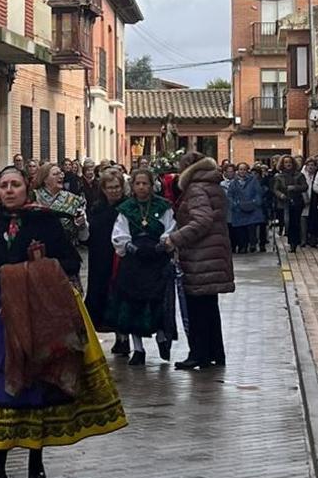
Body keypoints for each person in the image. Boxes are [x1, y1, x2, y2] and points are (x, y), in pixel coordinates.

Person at [0, 166, 127, 478]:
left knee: (37, 383)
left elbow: (71, 262)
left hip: (40, 311)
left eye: (14, 184)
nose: (8, 190)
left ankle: (36, 460)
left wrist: (38, 270)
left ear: (27, 188)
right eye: (3, 185)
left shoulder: (45, 222)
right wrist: (7, 278)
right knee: (0, 388)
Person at [166, 152, 234, 370]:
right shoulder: (212, 184)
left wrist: (175, 238)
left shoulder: (195, 189)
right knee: (209, 307)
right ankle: (215, 352)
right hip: (213, 254)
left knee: (197, 308)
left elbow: (202, 220)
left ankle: (199, 354)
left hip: (200, 256)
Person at [107, 169, 178, 365]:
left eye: (145, 183)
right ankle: (138, 349)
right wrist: (130, 247)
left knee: (158, 300)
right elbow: (119, 233)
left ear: (152, 185)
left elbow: (171, 227)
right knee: (132, 303)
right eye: (137, 183)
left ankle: (162, 337)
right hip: (134, 262)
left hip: (157, 260)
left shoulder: (163, 206)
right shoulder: (126, 208)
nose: (141, 187)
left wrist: (162, 244)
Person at [85, 170, 126, 356]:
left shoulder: (126, 207)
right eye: (110, 187)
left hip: (119, 257)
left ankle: (123, 337)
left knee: (119, 295)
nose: (114, 191)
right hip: (99, 257)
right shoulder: (96, 208)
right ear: (103, 189)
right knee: (100, 294)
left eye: (117, 187)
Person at [33, 162, 89, 246]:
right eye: (55, 174)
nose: (61, 176)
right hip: (38, 249)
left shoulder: (73, 200)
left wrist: (82, 224)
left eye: (61, 173)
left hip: (67, 249)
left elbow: (84, 237)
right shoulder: (33, 197)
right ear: (45, 179)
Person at [226, 163, 264, 254]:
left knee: (251, 227)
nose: (242, 171)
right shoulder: (233, 183)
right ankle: (243, 246)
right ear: (237, 171)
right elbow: (230, 195)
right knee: (240, 229)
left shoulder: (253, 181)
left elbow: (258, 192)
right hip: (239, 209)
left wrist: (256, 202)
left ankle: (252, 244)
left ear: (247, 171)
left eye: (244, 169)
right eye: (240, 169)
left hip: (252, 208)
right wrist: (234, 204)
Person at [273, 155, 308, 252]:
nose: (288, 164)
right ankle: (291, 240)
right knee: (287, 222)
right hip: (284, 202)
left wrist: (295, 187)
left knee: (295, 222)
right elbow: (275, 189)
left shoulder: (299, 175)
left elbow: (305, 186)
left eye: (290, 162)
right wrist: (281, 195)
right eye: (286, 162)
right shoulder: (279, 177)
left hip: (297, 201)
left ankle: (294, 243)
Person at [302, 157, 318, 247]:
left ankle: (313, 239)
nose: (310, 167)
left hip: (315, 201)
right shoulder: (302, 175)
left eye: (312, 165)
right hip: (305, 201)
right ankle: (303, 239)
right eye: (309, 165)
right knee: (304, 220)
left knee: (314, 221)